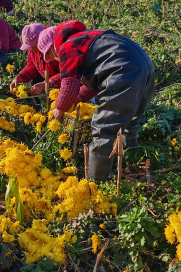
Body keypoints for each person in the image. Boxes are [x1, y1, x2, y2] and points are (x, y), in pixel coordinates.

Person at [39, 20, 155, 181]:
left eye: (50, 55)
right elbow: (99, 79)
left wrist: (59, 108)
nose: (53, 59)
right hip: (144, 64)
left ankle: (95, 182)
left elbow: (69, 84)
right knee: (131, 119)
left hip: (123, 69)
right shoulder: (88, 38)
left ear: (52, 47)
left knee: (104, 128)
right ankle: (129, 159)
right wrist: (78, 98)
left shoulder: (67, 47)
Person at [9, 23, 61, 96]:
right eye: (29, 46)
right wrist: (20, 77)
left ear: (42, 40)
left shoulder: (54, 47)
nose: (31, 49)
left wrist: (46, 84)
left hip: (60, 83)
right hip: (45, 78)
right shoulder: (33, 49)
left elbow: (67, 73)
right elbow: (32, 65)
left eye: (33, 45)